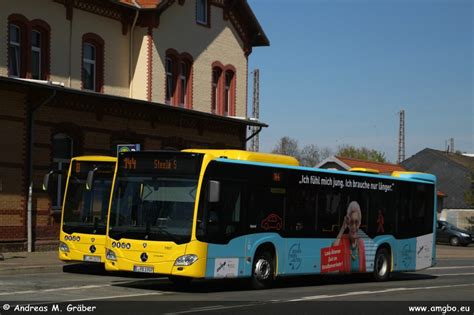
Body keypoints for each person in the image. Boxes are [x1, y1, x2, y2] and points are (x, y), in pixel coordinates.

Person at [334, 201, 366, 272]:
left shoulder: (362, 244)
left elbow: (364, 268)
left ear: (359, 224)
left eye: (356, 222)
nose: (354, 226)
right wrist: (343, 228)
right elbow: (334, 251)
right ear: (348, 224)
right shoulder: (343, 239)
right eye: (351, 222)